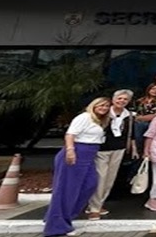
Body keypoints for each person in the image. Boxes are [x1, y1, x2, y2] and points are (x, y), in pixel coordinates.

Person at [43, 98, 110, 237]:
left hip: (89, 156)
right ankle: (56, 227)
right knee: (67, 190)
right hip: (76, 153)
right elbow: (70, 134)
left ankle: (64, 217)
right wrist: (70, 150)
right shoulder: (84, 117)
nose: (104, 108)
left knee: (89, 185)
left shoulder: (99, 120)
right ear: (93, 105)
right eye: (101, 105)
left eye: (106, 106)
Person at [86, 90, 133, 220]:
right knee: (101, 178)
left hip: (119, 149)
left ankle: (99, 204)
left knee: (109, 180)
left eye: (125, 99)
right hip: (102, 149)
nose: (122, 101)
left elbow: (129, 133)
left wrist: (130, 147)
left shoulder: (128, 115)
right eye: (119, 98)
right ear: (113, 99)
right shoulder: (104, 112)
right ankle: (94, 208)